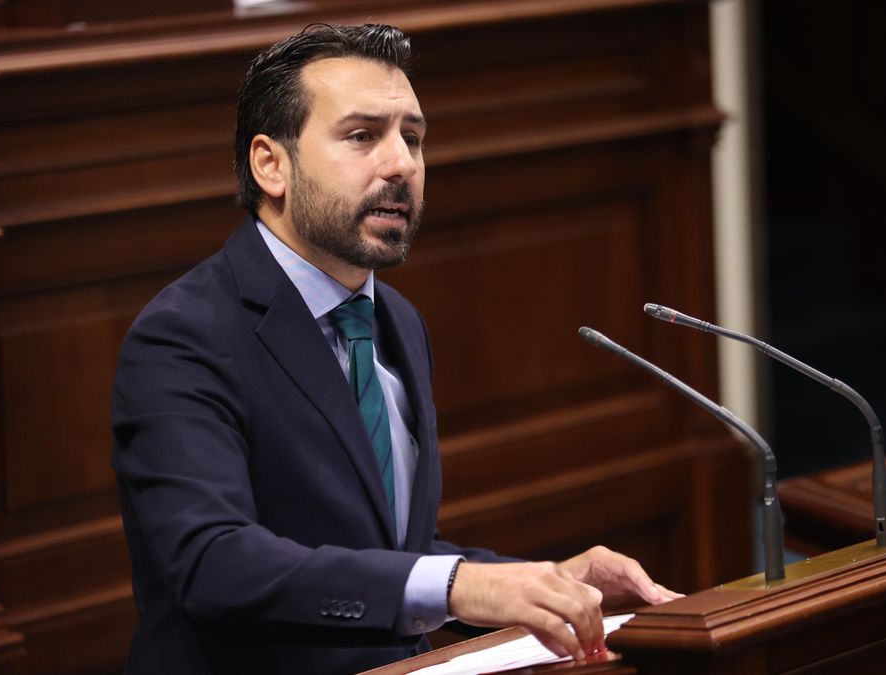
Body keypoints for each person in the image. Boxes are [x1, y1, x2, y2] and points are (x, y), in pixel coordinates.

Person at [111, 23, 681, 674]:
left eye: (412, 137)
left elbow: (382, 547)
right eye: (362, 137)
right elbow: (214, 561)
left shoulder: (397, 320)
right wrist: (463, 584)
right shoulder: (184, 334)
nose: (402, 163)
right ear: (271, 164)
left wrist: (542, 581)